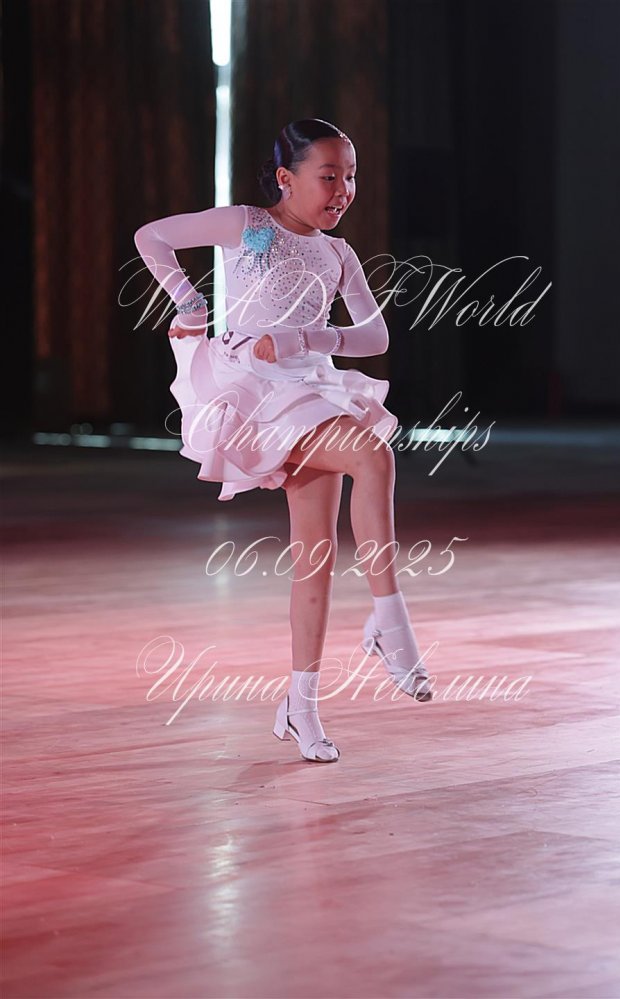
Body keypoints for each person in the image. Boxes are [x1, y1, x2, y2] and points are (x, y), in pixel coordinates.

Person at [134, 118, 433, 765]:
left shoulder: (339, 253)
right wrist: (188, 303)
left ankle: (301, 705)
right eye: (329, 176)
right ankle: (390, 618)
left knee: (314, 556)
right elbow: (151, 236)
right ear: (285, 179)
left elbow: (375, 336)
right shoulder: (249, 226)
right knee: (373, 454)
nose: (343, 190)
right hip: (256, 389)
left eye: (351, 177)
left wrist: (305, 338)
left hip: (310, 387)